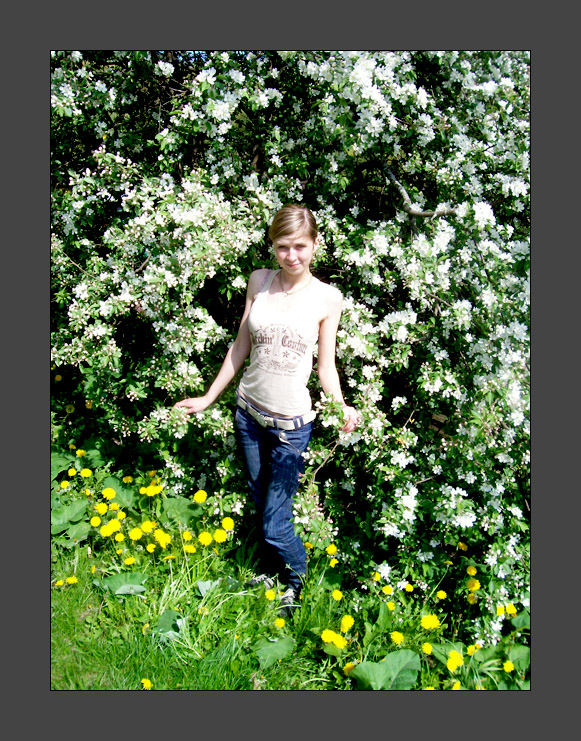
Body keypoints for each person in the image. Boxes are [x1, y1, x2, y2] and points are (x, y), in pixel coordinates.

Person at [174, 204, 359, 615]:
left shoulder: (328, 298)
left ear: (315, 245)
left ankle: (296, 585)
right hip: (248, 415)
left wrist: (341, 406)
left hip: (291, 428)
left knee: (276, 521)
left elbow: (325, 367)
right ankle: (274, 574)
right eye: (282, 247)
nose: (291, 256)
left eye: (300, 246)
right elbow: (241, 345)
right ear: (272, 246)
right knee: (261, 501)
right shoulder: (259, 280)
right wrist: (208, 397)